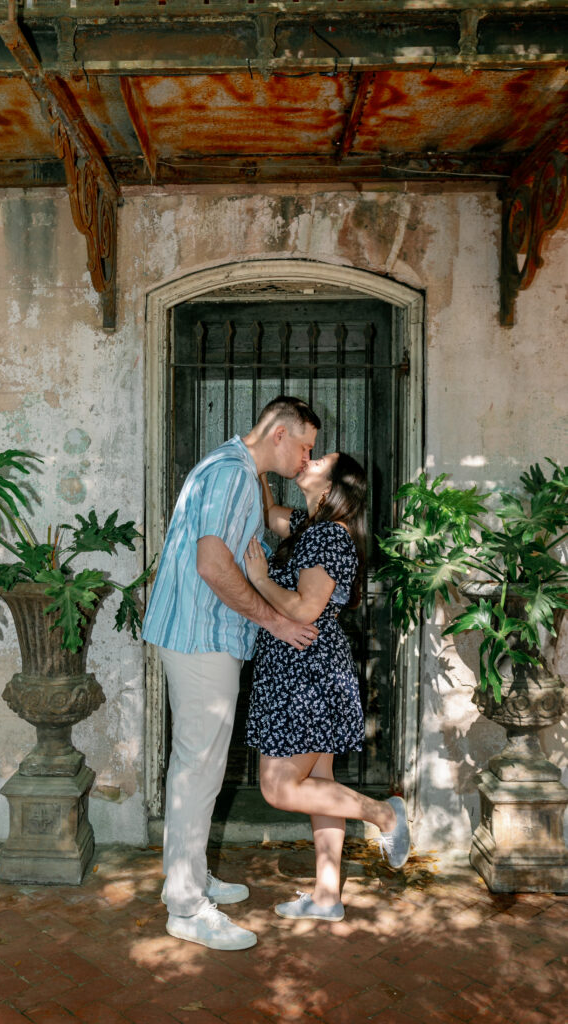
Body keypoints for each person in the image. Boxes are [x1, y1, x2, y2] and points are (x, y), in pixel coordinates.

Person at [142, 395, 322, 950]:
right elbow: (212, 565)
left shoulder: (237, 468)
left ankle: (189, 877)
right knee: (198, 769)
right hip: (201, 638)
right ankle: (187, 907)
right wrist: (275, 623)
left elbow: (262, 524)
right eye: (305, 446)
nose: (306, 458)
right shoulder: (232, 476)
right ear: (279, 434)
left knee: (197, 767)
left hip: (199, 636)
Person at [244, 452, 411, 923]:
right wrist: (256, 462)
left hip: (305, 671)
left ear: (334, 484)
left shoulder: (326, 535)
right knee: (318, 783)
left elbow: (302, 609)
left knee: (279, 787)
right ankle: (325, 896)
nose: (309, 459)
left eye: (320, 459)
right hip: (308, 666)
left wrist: (258, 578)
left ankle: (385, 815)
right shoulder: (308, 524)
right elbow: (268, 514)